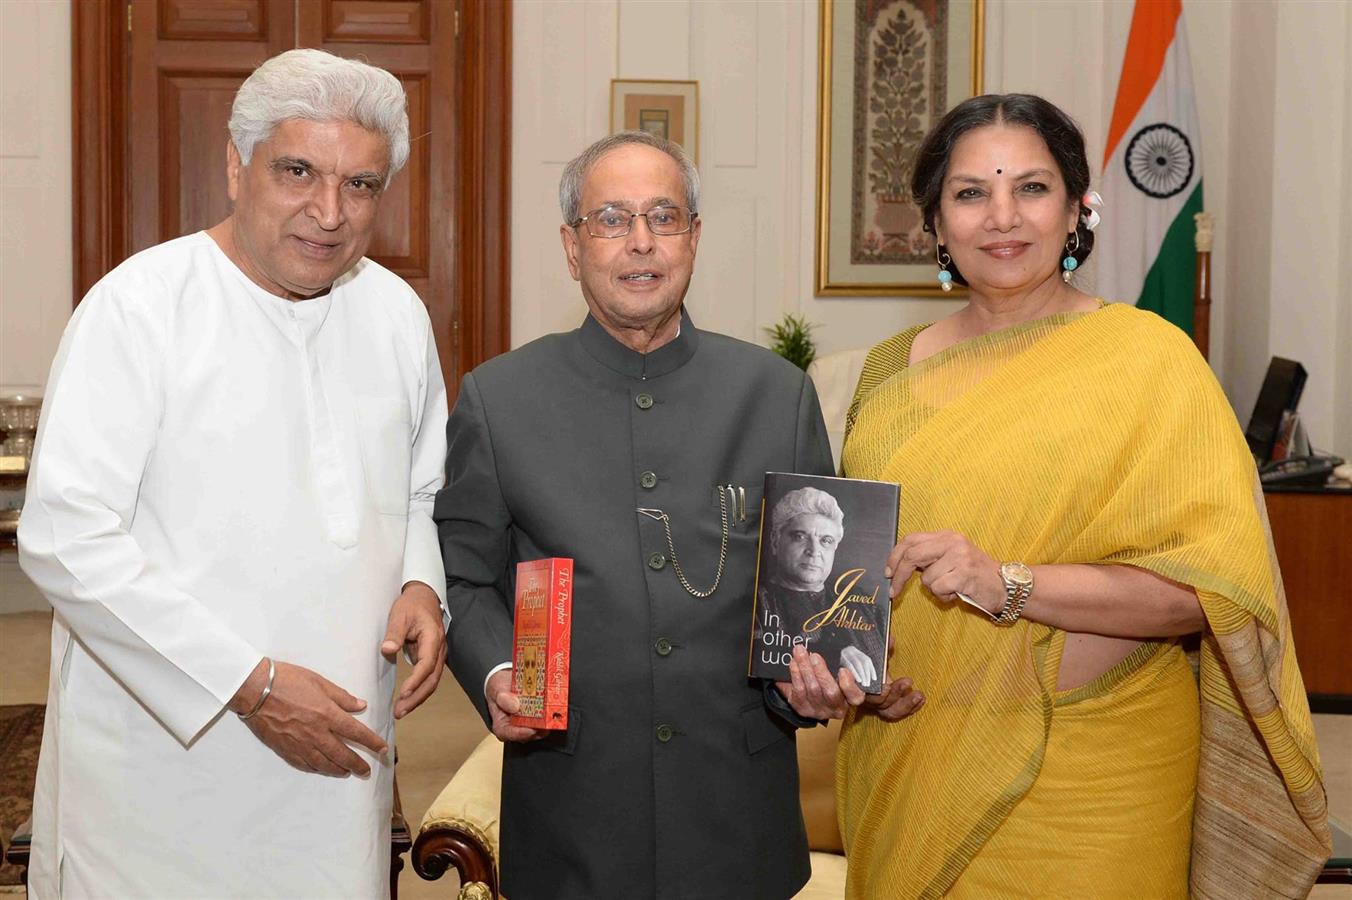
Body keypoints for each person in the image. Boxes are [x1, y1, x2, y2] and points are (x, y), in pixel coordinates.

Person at [835, 93, 1330, 898]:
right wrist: (854, 668)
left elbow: (1212, 594)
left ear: (1076, 211)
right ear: (934, 224)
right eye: (970, 193)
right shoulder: (889, 373)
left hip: (1094, 779)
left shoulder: (1150, 362)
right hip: (912, 755)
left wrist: (1007, 584)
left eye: (1031, 188)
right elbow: (861, 576)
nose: (1003, 216)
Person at [18, 49, 449, 898]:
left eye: (360, 185)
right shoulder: (140, 308)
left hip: (337, 767)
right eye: (298, 171)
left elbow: (419, 489)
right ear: (234, 165)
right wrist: (247, 686)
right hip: (166, 771)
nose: (329, 212)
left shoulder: (396, 314)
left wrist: (420, 584)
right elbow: (65, 539)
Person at [435, 130, 879, 899]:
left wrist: (810, 677)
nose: (640, 243)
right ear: (573, 247)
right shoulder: (499, 399)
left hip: (737, 816)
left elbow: (815, 597)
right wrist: (501, 670)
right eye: (611, 219)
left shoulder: (776, 396)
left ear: (694, 238)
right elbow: (463, 575)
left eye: (663, 217)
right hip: (571, 809)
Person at [758, 486, 882, 690]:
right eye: (799, 536)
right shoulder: (759, 602)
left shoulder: (864, 605)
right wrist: (831, 655)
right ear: (774, 541)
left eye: (825, 540)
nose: (814, 551)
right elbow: (761, 655)